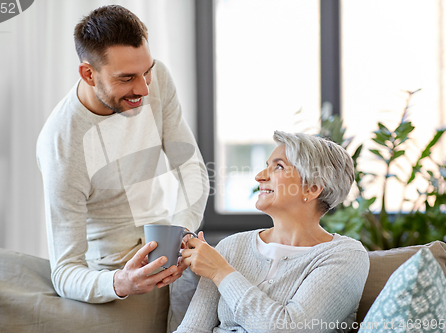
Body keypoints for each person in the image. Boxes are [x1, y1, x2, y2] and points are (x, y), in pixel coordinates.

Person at [36, 5, 209, 332]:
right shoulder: (62, 145)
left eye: (147, 71)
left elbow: (191, 171)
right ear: (88, 74)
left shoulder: (155, 81)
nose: (144, 89)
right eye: (127, 78)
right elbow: (65, 272)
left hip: (166, 255)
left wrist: (181, 234)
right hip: (112, 275)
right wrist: (121, 282)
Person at [176, 131, 370, 333]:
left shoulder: (345, 255)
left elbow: (289, 330)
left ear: (312, 188)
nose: (259, 176)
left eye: (278, 167)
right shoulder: (232, 247)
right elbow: (191, 329)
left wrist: (220, 272)